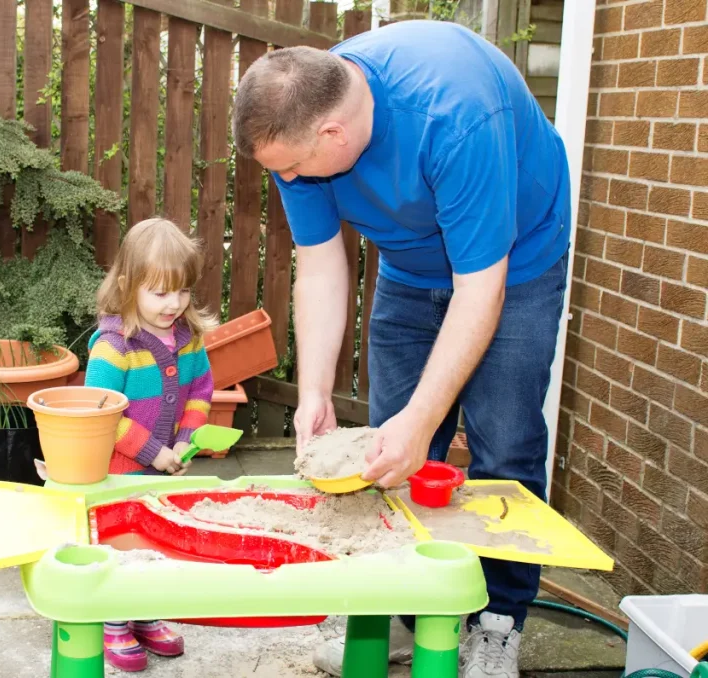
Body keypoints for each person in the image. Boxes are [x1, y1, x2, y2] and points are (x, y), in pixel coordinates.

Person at [232, 19, 571, 678]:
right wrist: (314, 394)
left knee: (503, 443)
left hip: (515, 263)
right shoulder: (297, 123)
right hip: (412, 269)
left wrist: (423, 419)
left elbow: (481, 291)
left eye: (295, 167)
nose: (290, 179)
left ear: (333, 134)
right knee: (387, 450)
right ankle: (395, 603)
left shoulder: (456, 114)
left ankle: (499, 622)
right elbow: (324, 267)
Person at [83, 217, 216, 671]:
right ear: (127, 285)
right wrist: (152, 451)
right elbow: (101, 414)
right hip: (118, 472)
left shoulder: (189, 340)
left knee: (155, 543)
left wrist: (183, 439)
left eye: (181, 292)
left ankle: (146, 615)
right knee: (122, 545)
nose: (173, 304)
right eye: (159, 293)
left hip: (163, 469)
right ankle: (114, 621)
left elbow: (200, 392)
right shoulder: (114, 346)